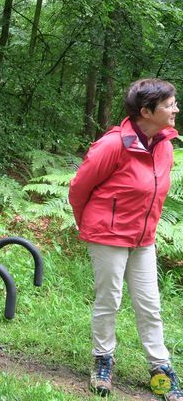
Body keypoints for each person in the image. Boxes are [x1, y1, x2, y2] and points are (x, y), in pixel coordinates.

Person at [69, 78, 183, 400]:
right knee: (110, 300)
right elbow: (78, 189)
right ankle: (103, 360)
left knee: (150, 304)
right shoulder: (113, 145)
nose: (175, 108)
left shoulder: (163, 145)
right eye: (169, 104)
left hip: (143, 238)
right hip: (108, 235)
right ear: (146, 111)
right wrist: (92, 227)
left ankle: (160, 368)